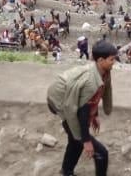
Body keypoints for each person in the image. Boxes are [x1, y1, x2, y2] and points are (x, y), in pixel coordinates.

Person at [47, 41, 116, 176]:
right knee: (101, 152)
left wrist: (95, 114)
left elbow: (94, 98)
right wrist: (86, 140)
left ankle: (66, 171)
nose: (114, 62)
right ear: (101, 60)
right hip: (60, 102)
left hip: (70, 99)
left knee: (75, 140)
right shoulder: (91, 82)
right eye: (112, 59)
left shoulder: (102, 71)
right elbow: (81, 114)